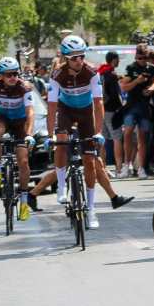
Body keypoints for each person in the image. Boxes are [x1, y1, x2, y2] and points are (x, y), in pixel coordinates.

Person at [45, 36, 107, 229]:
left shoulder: (91, 71)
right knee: (61, 141)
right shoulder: (57, 75)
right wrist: (49, 136)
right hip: (65, 110)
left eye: (81, 56)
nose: (78, 60)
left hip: (86, 112)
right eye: (73, 57)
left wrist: (98, 132)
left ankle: (90, 209)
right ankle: (61, 187)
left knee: (89, 161)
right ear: (65, 57)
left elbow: (99, 103)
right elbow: (52, 106)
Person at [0, 57, 37, 221]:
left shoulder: (24, 87)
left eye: (15, 73)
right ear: (0, 75)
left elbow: (31, 112)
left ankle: (24, 202)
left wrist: (30, 134)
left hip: (21, 121)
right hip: (3, 117)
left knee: (23, 160)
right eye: (8, 75)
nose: (12, 77)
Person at [120, 43, 154, 180]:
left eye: (145, 58)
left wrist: (152, 88)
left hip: (145, 105)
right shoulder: (131, 68)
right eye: (141, 58)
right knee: (128, 132)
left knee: (143, 136)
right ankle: (126, 165)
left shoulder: (151, 68)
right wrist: (137, 81)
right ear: (136, 56)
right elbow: (124, 88)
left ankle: (141, 167)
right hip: (132, 104)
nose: (143, 61)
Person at [97, 51, 126, 177]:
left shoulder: (101, 73)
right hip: (112, 111)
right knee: (117, 138)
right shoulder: (113, 75)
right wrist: (122, 107)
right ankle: (119, 167)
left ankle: (102, 168)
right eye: (118, 59)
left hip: (101, 110)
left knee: (103, 140)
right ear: (114, 60)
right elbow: (115, 95)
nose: (118, 61)